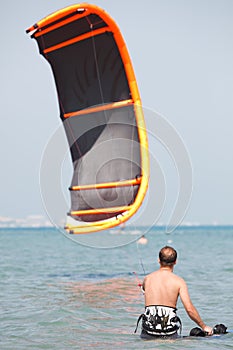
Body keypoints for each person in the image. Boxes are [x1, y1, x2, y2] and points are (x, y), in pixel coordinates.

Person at [135, 246, 213, 338]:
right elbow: (189, 309)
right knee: (197, 335)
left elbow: (145, 291)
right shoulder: (179, 282)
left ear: (158, 260)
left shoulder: (147, 279)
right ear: (175, 262)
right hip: (169, 334)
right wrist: (203, 326)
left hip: (147, 333)